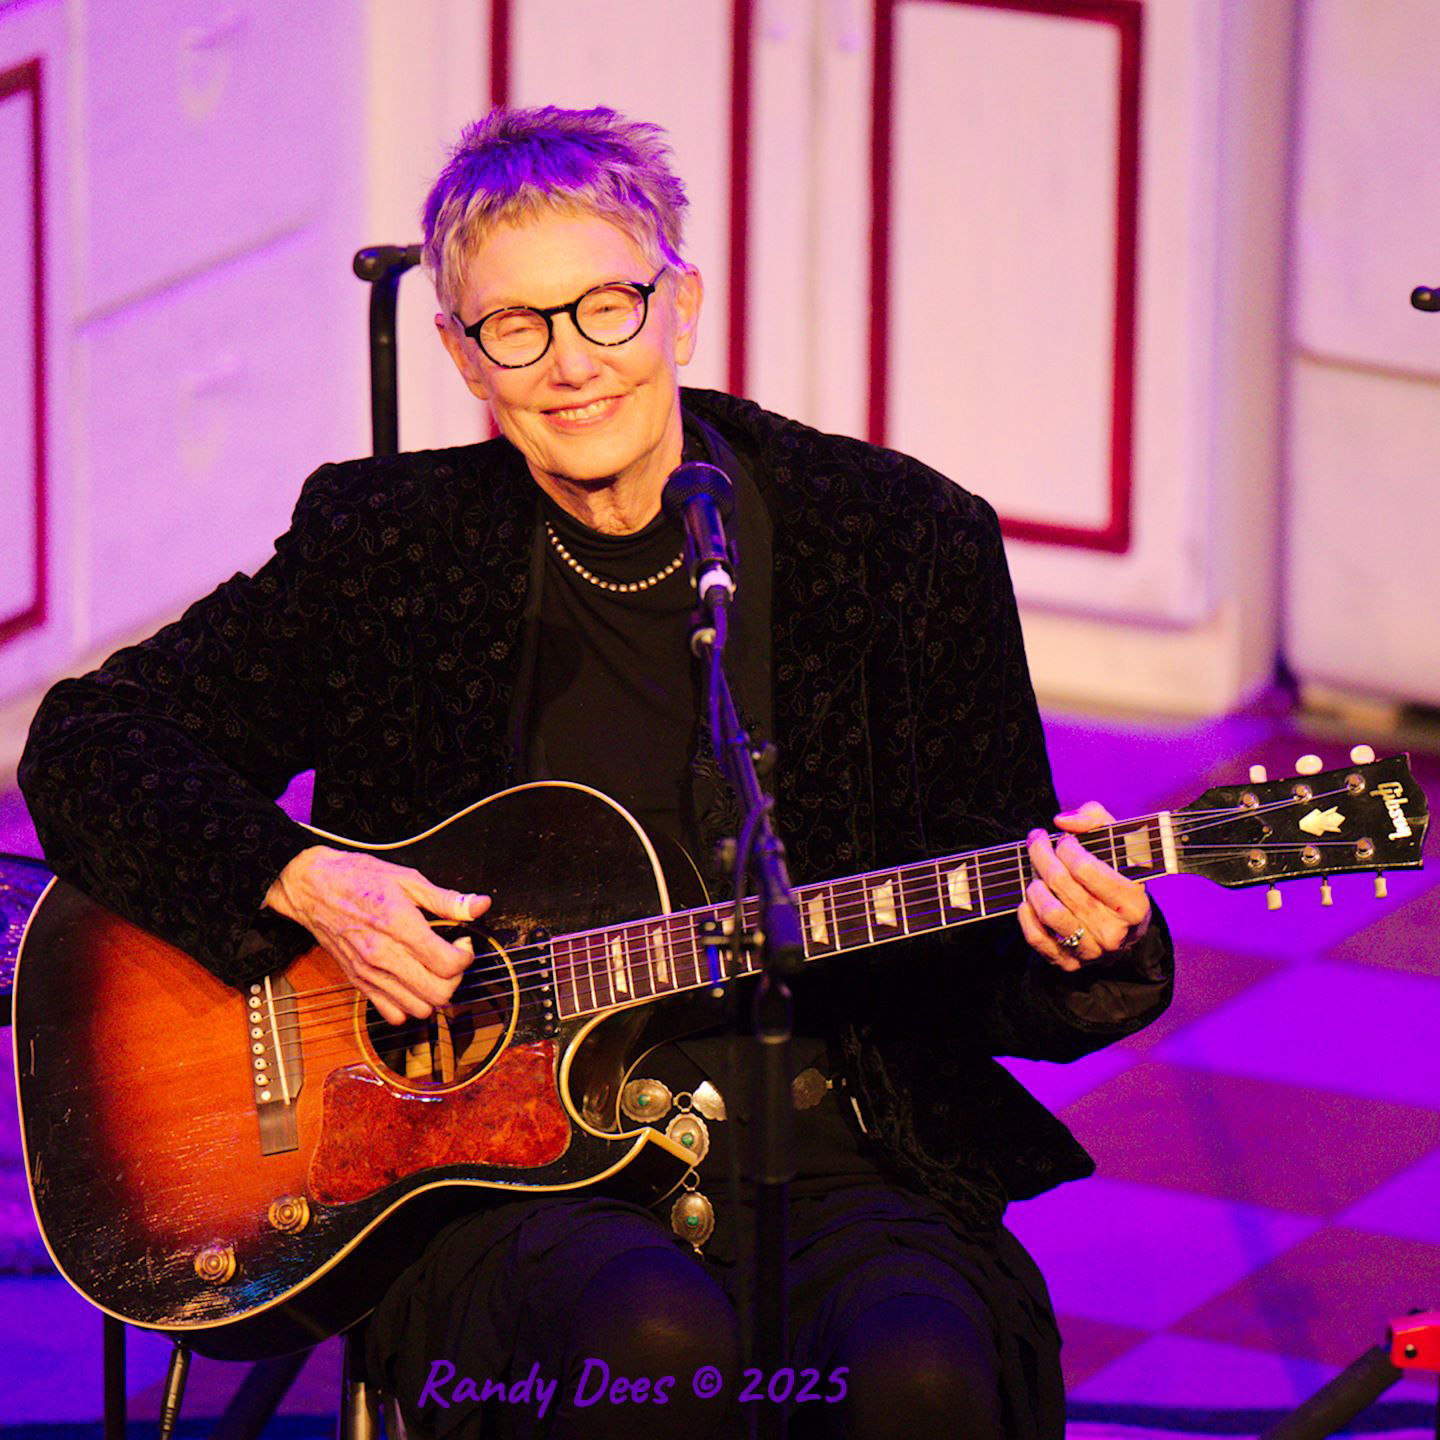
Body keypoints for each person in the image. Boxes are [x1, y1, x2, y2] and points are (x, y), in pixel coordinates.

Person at [19, 105, 1173, 1439]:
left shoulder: (899, 544)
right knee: (649, 1341)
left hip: (839, 1141)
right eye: (518, 326)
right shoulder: (392, 554)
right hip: (495, 1183)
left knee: (913, 1371)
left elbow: (988, 938)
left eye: (608, 309)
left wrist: (1088, 946)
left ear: (681, 308)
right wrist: (306, 884)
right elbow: (91, 741)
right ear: (463, 358)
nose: (572, 364)